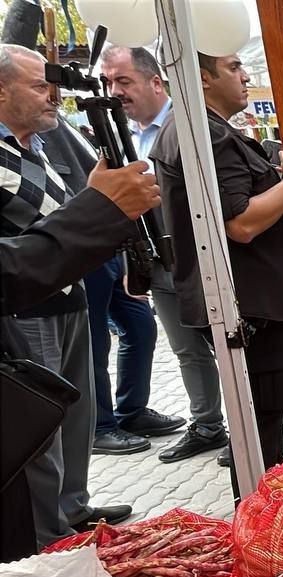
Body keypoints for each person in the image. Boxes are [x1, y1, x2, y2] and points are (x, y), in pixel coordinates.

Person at [0, 43, 144, 546]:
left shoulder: (37, 146)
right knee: (41, 428)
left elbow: (60, 215)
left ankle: (71, 507)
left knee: (76, 417)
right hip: (26, 308)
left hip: (70, 296)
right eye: (39, 86)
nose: (53, 97)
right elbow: (33, 234)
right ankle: (47, 535)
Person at [150, 52, 283, 474]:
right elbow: (241, 223)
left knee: (262, 417)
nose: (245, 76)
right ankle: (258, 519)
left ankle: (261, 511)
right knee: (260, 420)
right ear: (203, 78)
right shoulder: (204, 135)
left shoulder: (204, 130)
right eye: (234, 68)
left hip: (249, 300)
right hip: (247, 302)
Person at [101, 46, 238, 465]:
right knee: (186, 349)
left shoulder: (191, 125)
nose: (115, 91)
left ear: (155, 81)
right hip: (156, 263)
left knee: (227, 346)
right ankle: (208, 423)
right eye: (109, 82)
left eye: (123, 81)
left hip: (200, 259)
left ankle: (248, 429)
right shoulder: (117, 139)